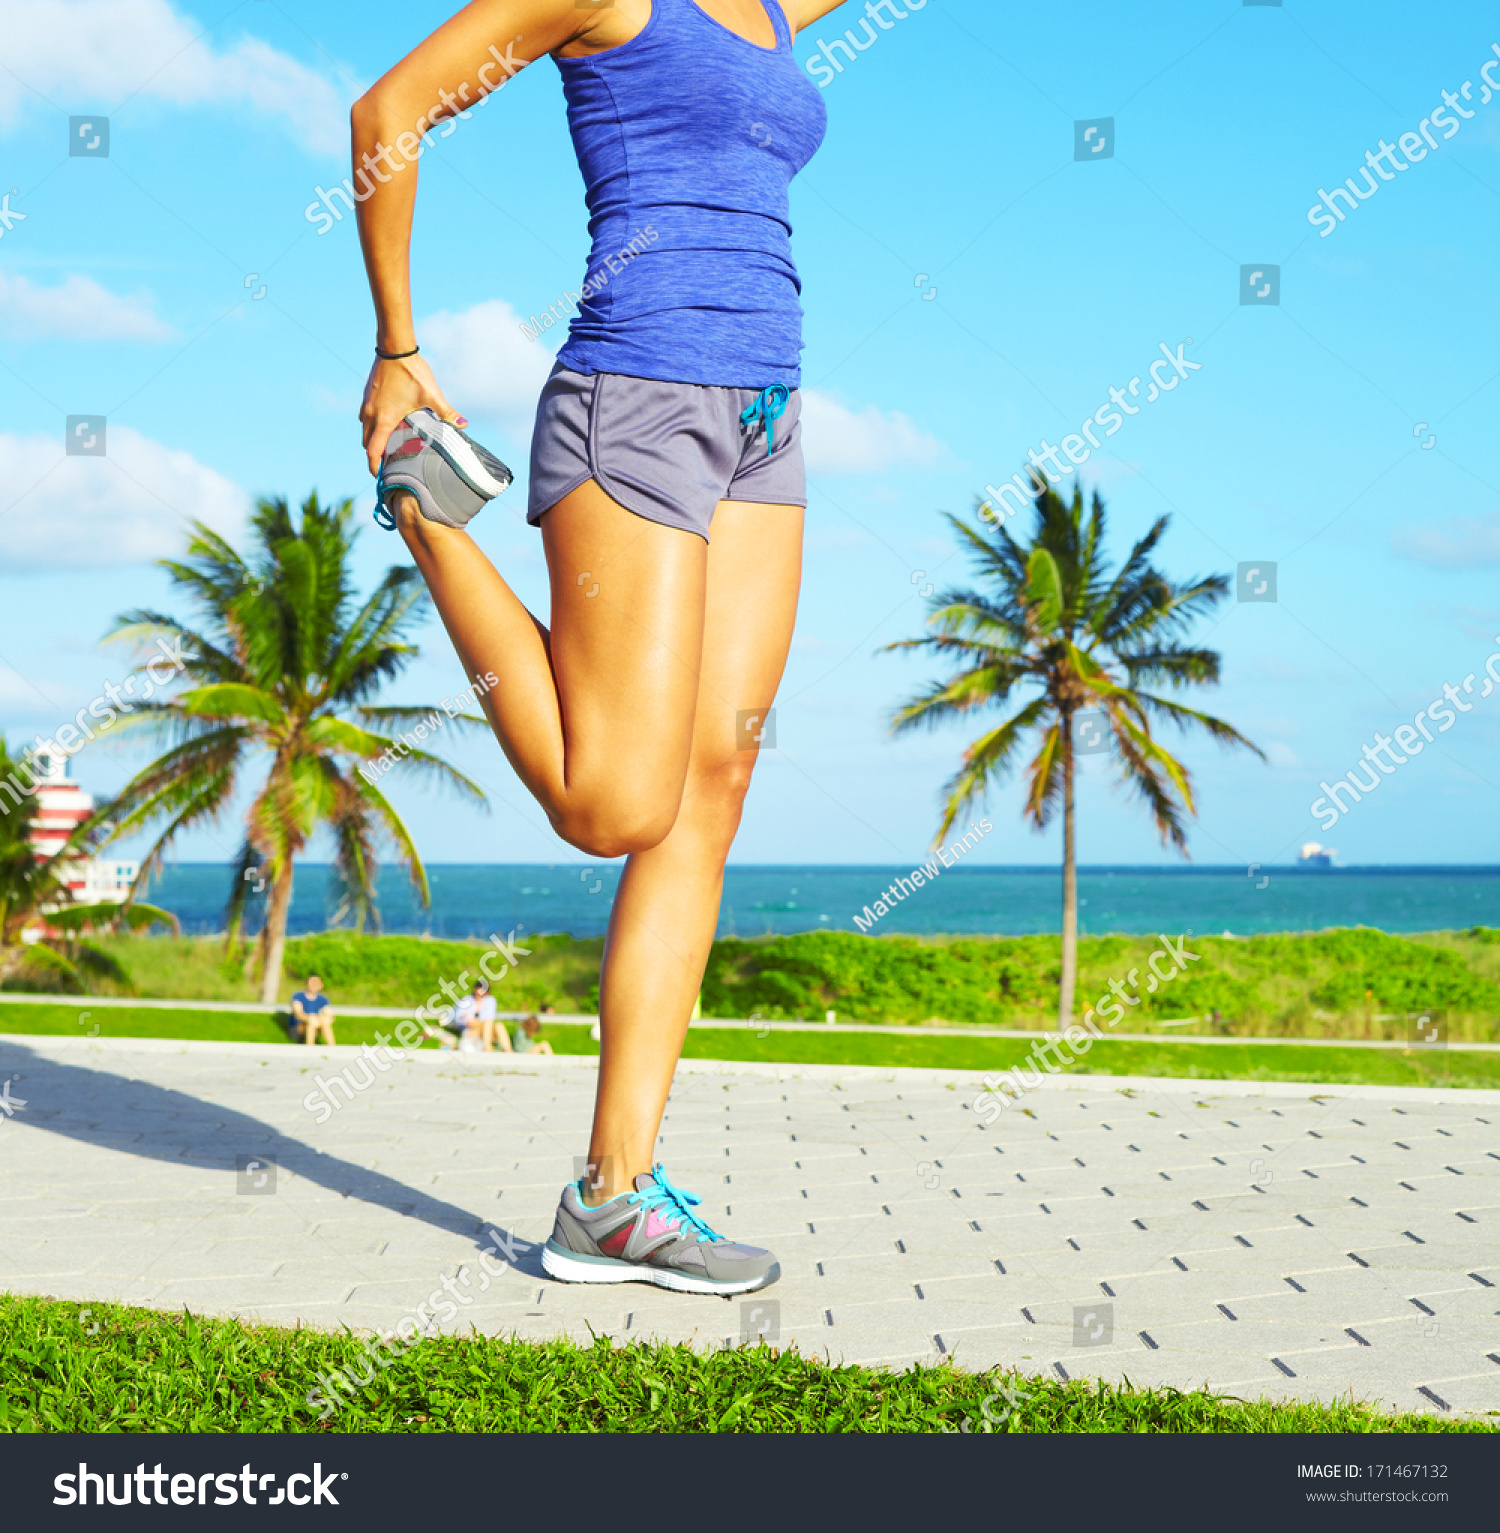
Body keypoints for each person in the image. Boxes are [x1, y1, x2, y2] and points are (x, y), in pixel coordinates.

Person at [353, 0, 852, 1297]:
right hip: (633, 398)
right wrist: (399, 349)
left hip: (767, 418)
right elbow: (387, 114)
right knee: (612, 803)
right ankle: (423, 497)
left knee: (709, 790)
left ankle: (612, 1199)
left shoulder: (770, 10)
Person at [290, 975, 335, 1047]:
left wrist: (324, 1019)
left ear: (321, 985)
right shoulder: (298, 996)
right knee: (312, 1021)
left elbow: (329, 1014)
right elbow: (298, 1013)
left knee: (324, 1020)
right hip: (299, 1027)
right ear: (307, 984)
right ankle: (310, 1047)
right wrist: (310, 1018)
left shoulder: (323, 999)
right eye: (312, 982)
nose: (314, 985)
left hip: (316, 1023)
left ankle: (332, 1047)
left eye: (316, 983)